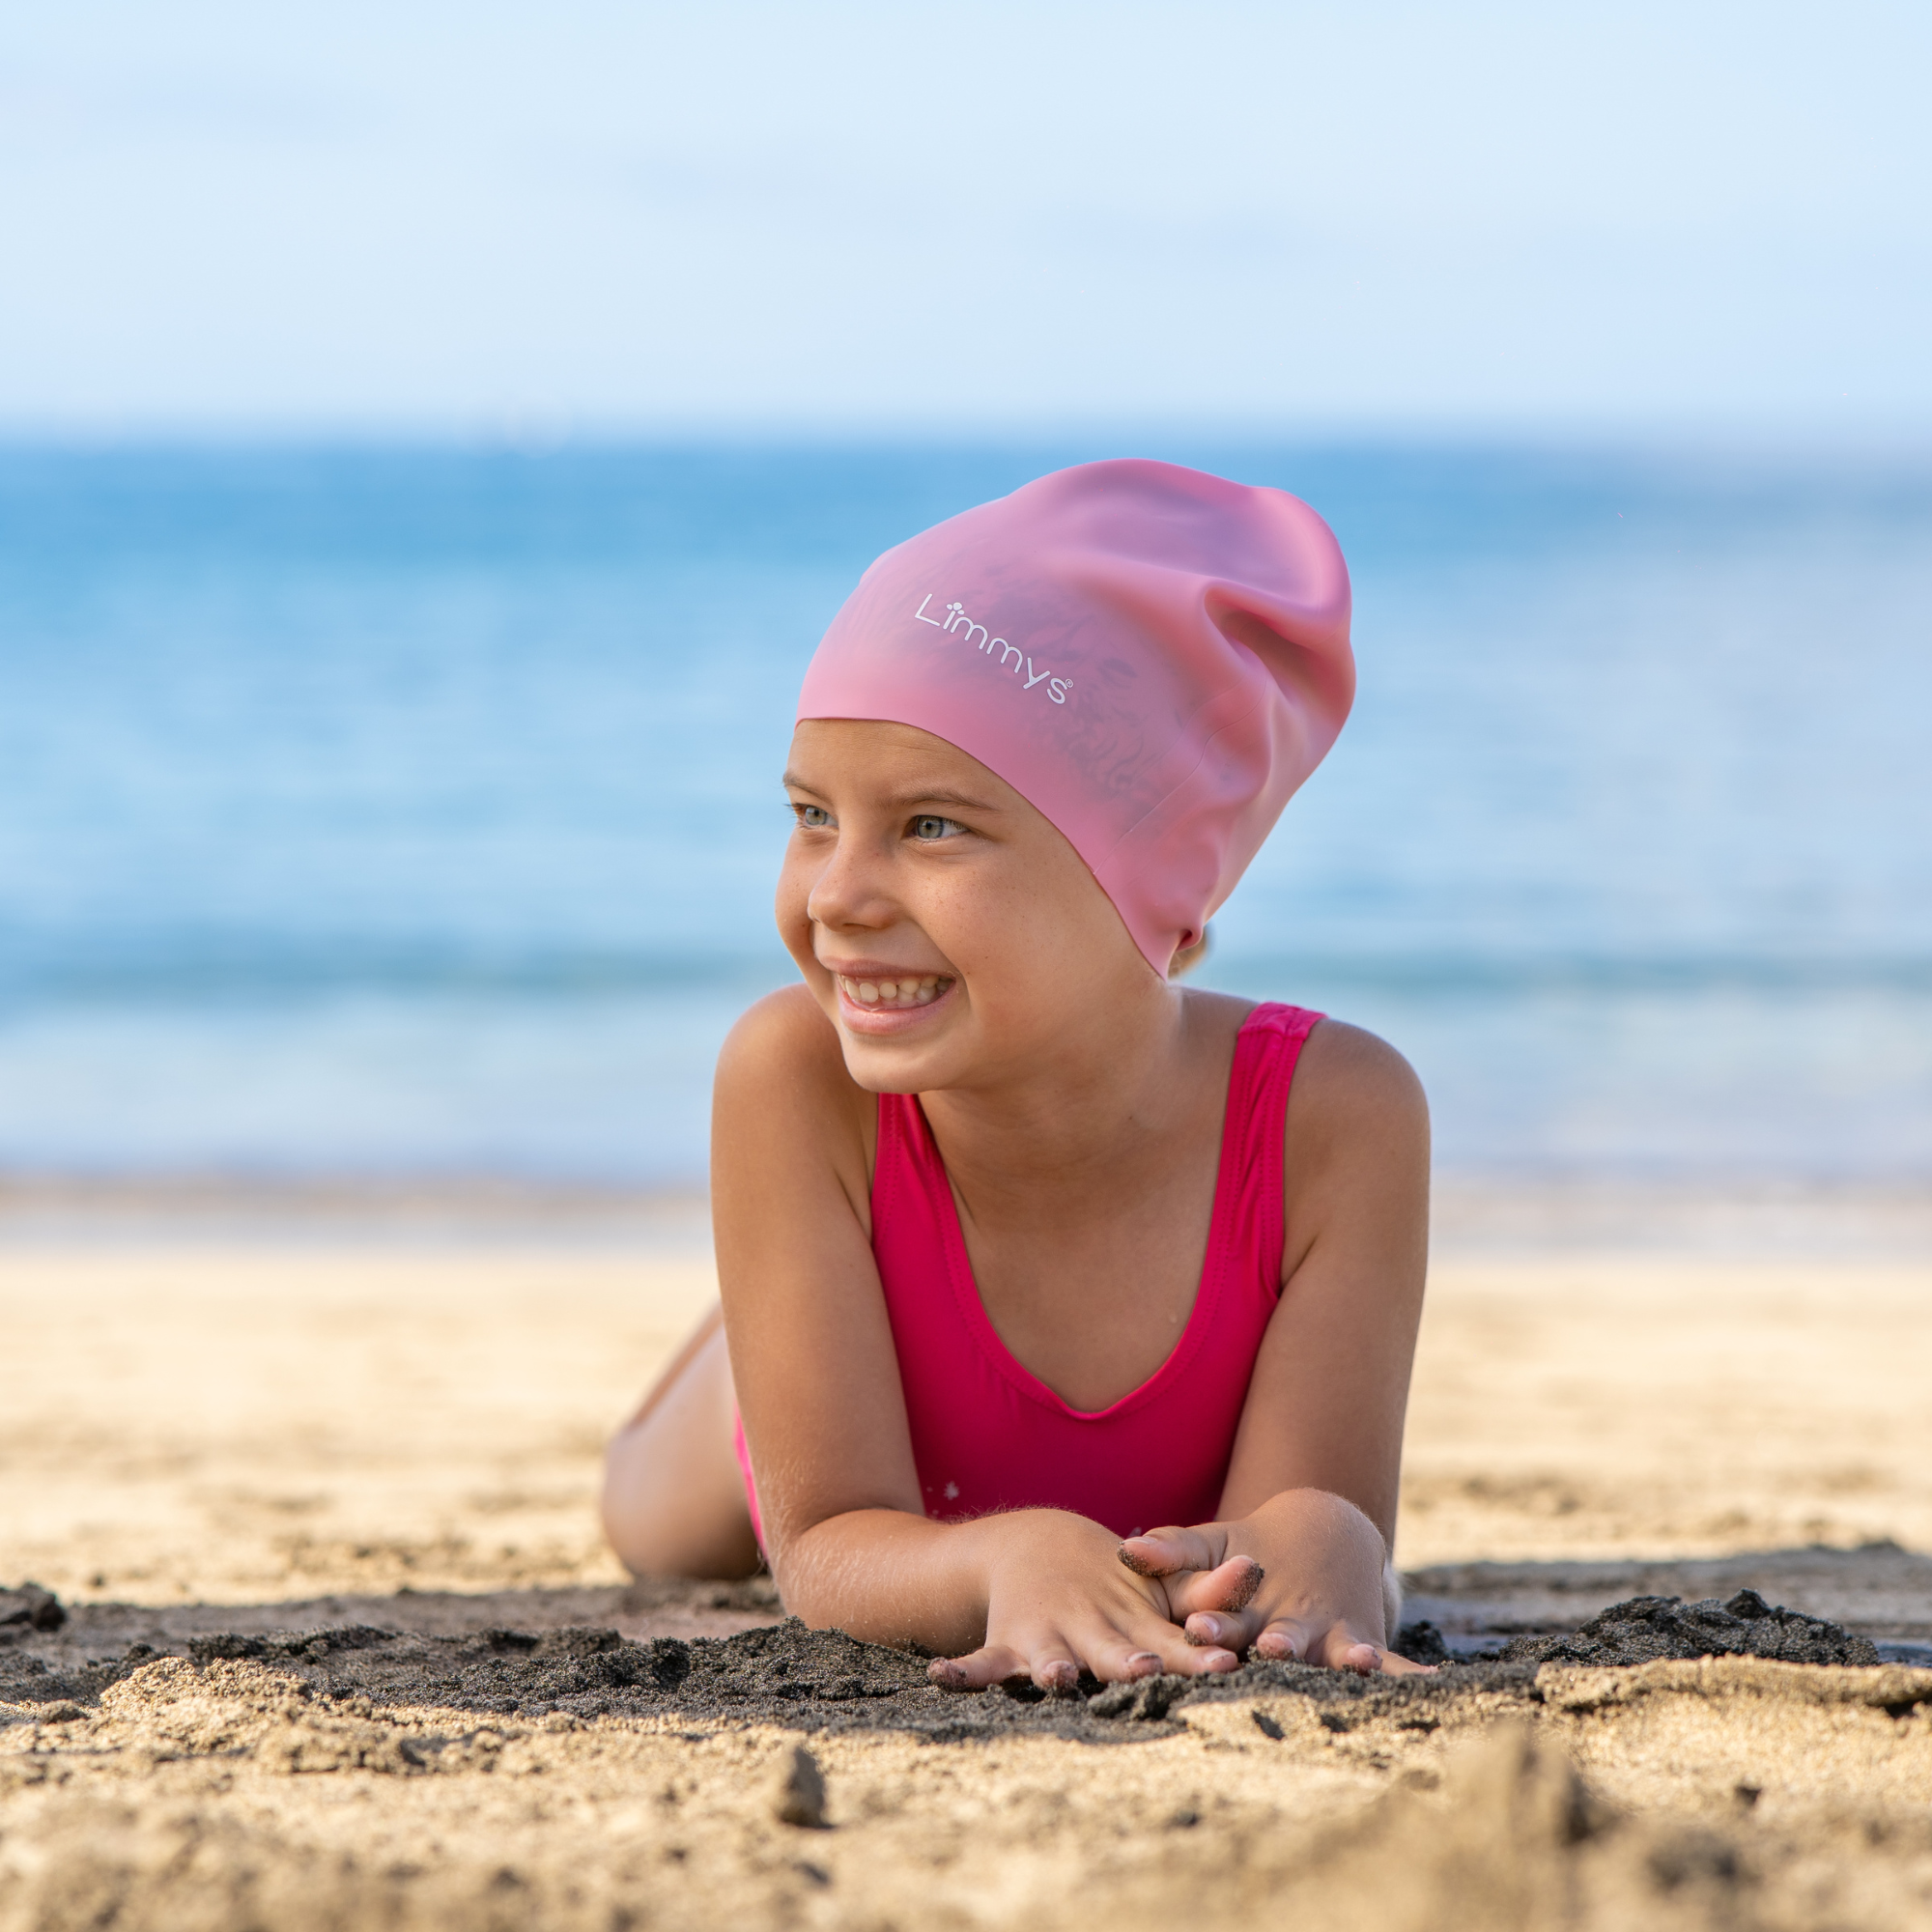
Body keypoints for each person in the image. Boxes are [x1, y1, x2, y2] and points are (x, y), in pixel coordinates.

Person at [602, 460, 1433, 1686]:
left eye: (930, 825)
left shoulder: (1335, 1119)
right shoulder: (796, 1079)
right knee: (653, 1530)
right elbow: (823, 1545)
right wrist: (1012, 1558)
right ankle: (775, 1313)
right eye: (810, 814)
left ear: (1164, 900)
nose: (835, 893)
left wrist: (1333, 1542)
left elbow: (1283, 1542)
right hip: (773, 1410)